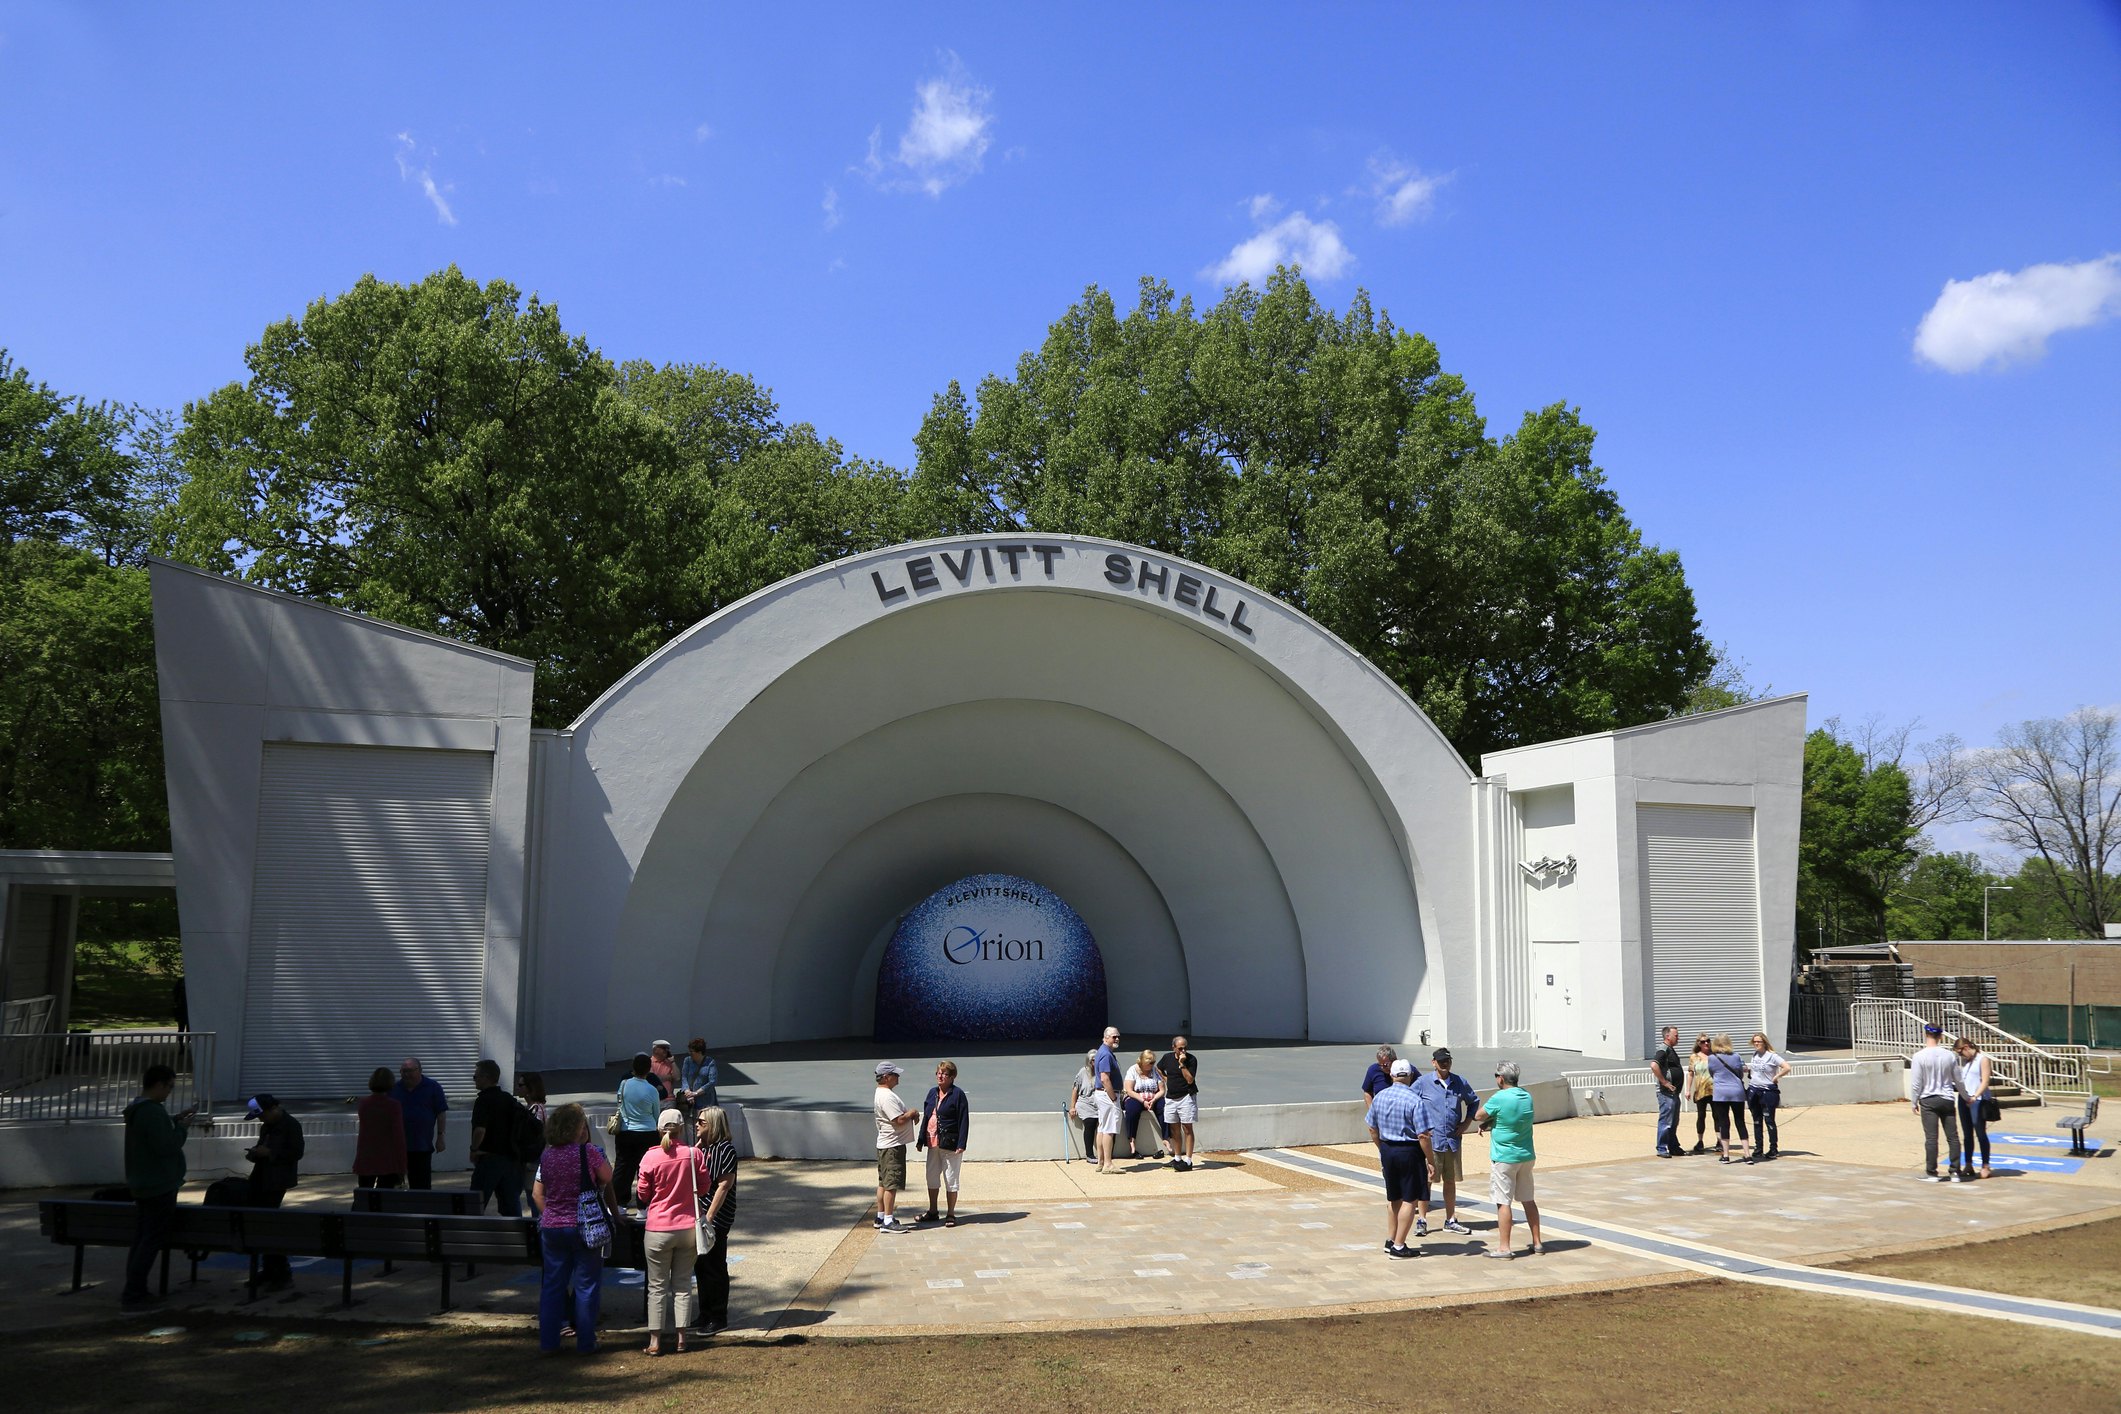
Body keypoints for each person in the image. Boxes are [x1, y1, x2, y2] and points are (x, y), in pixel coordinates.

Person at [531, 1101, 613, 1354]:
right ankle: (586, 1343)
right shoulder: (586, 1152)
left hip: (552, 1227)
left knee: (553, 1287)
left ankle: (548, 1343)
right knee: (587, 1285)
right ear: (576, 1127)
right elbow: (607, 1177)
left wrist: (551, 1216)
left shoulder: (547, 1155)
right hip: (584, 1226)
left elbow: (538, 1193)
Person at [635, 1108, 708, 1355]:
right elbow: (705, 1186)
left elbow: (643, 1194)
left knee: (656, 1286)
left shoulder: (650, 1157)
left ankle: (655, 1340)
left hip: (657, 1228)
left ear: (659, 1129)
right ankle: (681, 1338)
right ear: (681, 1129)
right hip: (687, 1228)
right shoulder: (693, 1153)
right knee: (683, 1284)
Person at [120, 1063, 193, 1311]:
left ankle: (134, 1289)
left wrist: (172, 1120)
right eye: (169, 1087)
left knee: (141, 1239)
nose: (170, 1092)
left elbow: (153, 1135)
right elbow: (166, 1146)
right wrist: (181, 1130)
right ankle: (134, 1293)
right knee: (150, 1241)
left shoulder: (139, 1110)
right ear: (159, 1084)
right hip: (158, 1184)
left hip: (143, 1183)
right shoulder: (151, 1111)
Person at [1476, 1061, 1541, 1258]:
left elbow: (1478, 1115)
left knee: (1503, 1202)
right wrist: (1493, 1121)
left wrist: (1488, 1121)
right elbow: (1511, 1117)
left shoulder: (1499, 1097)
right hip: (1526, 1156)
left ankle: (1504, 1247)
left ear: (1500, 1078)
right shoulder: (1526, 1097)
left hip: (1505, 1158)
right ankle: (1537, 1243)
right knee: (1528, 1199)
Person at [1411, 1047, 1478, 1237]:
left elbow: (1473, 1101)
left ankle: (1451, 1219)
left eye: (1447, 1061)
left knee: (1450, 1181)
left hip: (1452, 1141)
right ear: (1433, 1063)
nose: (1445, 1064)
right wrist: (1420, 1128)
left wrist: (1466, 1123)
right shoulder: (1423, 1083)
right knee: (1427, 1181)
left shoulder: (1459, 1082)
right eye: (1441, 1061)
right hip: (1431, 1143)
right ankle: (1422, 1220)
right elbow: (1411, 1103)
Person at [1363, 1057, 1425, 1259]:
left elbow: (1372, 1127)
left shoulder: (1380, 1097)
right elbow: (1423, 1135)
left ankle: (1391, 1240)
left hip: (1388, 1149)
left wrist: (1382, 1147)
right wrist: (1431, 1160)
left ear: (1391, 1075)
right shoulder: (1415, 1099)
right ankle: (1399, 1246)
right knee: (1410, 1199)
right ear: (1410, 1076)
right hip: (1408, 1150)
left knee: (1393, 1197)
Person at [244, 1093, 305, 1289]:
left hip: (277, 1180)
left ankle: (280, 1271)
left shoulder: (291, 1125)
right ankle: (270, 1269)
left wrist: (269, 1153)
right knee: (263, 1224)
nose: (262, 1120)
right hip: (261, 1177)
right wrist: (256, 1153)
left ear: (273, 1109)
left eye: (262, 1115)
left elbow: (296, 1153)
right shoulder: (268, 1126)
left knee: (269, 1224)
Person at [692, 1105, 740, 1334]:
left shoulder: (725, 1150)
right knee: (701, 1265)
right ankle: (705, 1312)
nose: (697, 1125)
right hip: (701, 1216)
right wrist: (697, 1148)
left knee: (714, 1266)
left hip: (716, 1218)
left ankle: (718, 1316)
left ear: (713, 1125)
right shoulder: (705, 1149)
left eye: (702, 1122)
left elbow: (723, 1185)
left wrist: (708, 1218)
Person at [469, 1059, 527, 1216]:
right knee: (511, 1205)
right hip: (510, 1160)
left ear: (485, 1077)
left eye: (476, 1076)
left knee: (475, 1204)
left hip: (489, 1158)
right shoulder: (508, 1099)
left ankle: (468, 1233)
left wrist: (474, 1149)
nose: (474, 1080)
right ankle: (517, 1234)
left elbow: (480, 1130)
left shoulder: (483, 1101)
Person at [1910, 1023, 1967, 1181]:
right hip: (1947, 1098)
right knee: (1953, 1137)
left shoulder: (1919, 1056)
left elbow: (1916, 1083)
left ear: (1926, 1035)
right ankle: (1955, 1171)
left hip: (1928, 1099)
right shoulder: (1949, 1056)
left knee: (1931, 1138)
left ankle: (1932, 1172)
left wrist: (1914, 1101)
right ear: (1940, 1036)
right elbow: (1958, 1079)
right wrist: (1966, 1096)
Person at [917, 1060, 971, 1224]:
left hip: (950, 1143)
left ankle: (951, 1213)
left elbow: (963, 1119)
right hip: (932, 1142)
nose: (940, 1076)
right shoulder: (931, 1093)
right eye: (939, 1073)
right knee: (931, 1176)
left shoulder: (957, 1094)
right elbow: (927, 1117)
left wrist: (961, 1143)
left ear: (952, 1077)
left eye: (945, 1073)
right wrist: (920, 1140)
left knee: (951, 1178)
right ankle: (933, 1211)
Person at [612, 1052, 663, 1207]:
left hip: (626, 1131)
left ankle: (619, 1203)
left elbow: (619, 1104)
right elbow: (656, 1114)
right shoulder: (652, 1090)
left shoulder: (624, 1084)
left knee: (623, 1167)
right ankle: (643, 1204)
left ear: (633, 1068)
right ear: (649, 1069)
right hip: (647, 1133)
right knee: (645, 1170)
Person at [391, 1056, 448, 1190]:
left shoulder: (433, 1087)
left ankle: (422, 1209)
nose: (406, 1074)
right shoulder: (394, 1089)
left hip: (421, 1146)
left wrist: (440, 1137)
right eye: (403, 1071)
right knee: (394, 1184)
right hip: (397, 1146)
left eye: (410, 1071)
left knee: (421, 1185)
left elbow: (441, 1113)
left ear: (420, 1070)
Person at [874, 1062, 918, 1230]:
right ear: (886, 1077)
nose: (898, 1077)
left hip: (886, 1145)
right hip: (892, 1146)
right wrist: (912, 1113)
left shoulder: (882, 1094)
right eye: (895, 1074)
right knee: (891, 1184)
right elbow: (898, 1120)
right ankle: (888, 1220)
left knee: (883, 1183)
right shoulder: (886, 1096)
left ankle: (880, 1217)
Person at [354, 1067, 406, 1190]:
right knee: (384, 1195)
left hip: (366, 1155)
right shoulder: (393, 1105)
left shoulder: (364, 1104)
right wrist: (402, 1164)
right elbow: (398, 1136)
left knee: (365, 1194)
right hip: (387, 1157)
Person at [1743, 1033, 1792, 1164]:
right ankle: (1758, 1147)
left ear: (1764, 1042)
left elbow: (1787, 1067)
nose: (1756, 1044)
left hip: (1767, 1091)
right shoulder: (1755, 1055)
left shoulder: (1772, 1056)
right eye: (1754, 1042)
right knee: (1756, 1120)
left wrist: (1776, 1077)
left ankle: (1773, 1148)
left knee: (1769, 1120)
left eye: (1759, 1042)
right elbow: (1754, 1071)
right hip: (1754, 1089)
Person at [1158, 1037, 1199, 1171]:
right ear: (1173, 1048)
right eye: (1180, 1048)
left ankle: (1188, 1160)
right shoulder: (1167, 1058)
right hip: (1171, 1098)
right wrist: (1165, 1078)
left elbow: (1189, 1080)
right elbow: (1158, 1068)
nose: (1183, 1051)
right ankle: (1177, 1158)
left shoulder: (1191, 1060)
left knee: (1187, 1128)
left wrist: (1182, 1064)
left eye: (1185, 1048)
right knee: (1174, 1129)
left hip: (1186, 1096)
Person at [1706, 1034, 1749, 1163]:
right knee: (1740, 1122)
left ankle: (1726, 1155)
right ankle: (1747, 1154)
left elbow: (1712, 1073)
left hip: (1721, 1092)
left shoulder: (1712, 1058)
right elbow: (1740, 1073)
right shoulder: (1736, 1056)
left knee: (1724, 1123)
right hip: (1737, 1091)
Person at [1956, 1038, 1994, 1180]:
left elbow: (1985, 1081)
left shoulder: (1982, 1059)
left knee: (1980, 1133)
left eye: (1961, 1052)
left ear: (1966, 1047)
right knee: (1967, 1134)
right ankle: (1968, 1163)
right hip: (1964, 1098)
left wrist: (1975, 1096)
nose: (1961, 1056)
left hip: (1977, 1099)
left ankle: (1985, 1164)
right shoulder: (1967, 1062)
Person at [1123, 1049, 1167, 1160]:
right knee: (1132, 1110)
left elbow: (1162, 1090)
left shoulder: (1154, 1071)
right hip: (1136, 1097)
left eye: (1154, 1062)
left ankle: (1166, 1137)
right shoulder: (1133, 1070)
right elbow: (1129, 1090)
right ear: (1143, 1061)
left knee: (1164, 1107)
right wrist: (1143, 1101)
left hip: (1152, 1098)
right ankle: (1132, 1140)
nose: (1152, 1065)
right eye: (1150, 1063)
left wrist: (1154, 1099)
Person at [1650, 1026, 1686, 1158]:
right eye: (1676, 1036)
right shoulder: (1663, 1049)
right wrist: (1664, 1082)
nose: (1678, 1038)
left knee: (1674, 1121)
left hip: (1674, 1093)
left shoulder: (1671, 1050)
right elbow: (1654, 1065)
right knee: (1666, 1120)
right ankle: (1662, 1147)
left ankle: (1673, 1146)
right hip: (1666, 1094)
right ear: (1667, 1036)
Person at [1092, 1026, 1123, 1173]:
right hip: (1107, 1095)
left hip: (1102, 1095)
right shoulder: (1105, 1054)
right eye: (1113, 1037)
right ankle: (1108, 1164)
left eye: (1117, 1036)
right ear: (1105, 1038)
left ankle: (1101, 1162)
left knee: (1102, 1128)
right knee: (1109, 1129)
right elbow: (1105, 1078)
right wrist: (1113, 1097)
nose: (1116, 1039)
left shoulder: (1103, 1052)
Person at [516, 1071, 548, 1203]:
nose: (517, 1088)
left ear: (530, 1088)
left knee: (533, 1195)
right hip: (533, 1157)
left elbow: (536, 1132)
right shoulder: (532, 1108)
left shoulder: (536, 1109)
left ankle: (538, 1223)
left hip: (535, 1157)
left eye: (520, 1085)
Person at [1067, 1050, 1101, 1161]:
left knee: (1104, 1125)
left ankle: (1105, 1154)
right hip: (1085, 1102)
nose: (1094, 1063)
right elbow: (1075, 1089)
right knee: (1090, 1122)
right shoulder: (1083, 1072)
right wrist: (1072, 1107)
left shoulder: (1103, 1072)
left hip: (1099, 1102)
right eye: (1092, 1061)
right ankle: (1089, 1154)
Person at [678, 1039, 718, 1117]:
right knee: (690, 1125)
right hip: (689, 1100)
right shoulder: (687, 1060)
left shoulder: (710, 1062)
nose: (689, 1053)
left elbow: (712, 1081)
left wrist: (696, 1093)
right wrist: (687, 1091)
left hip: (706, 1101)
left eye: (691, 1051)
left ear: (699, 1052)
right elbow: (684, 1077)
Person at [1688, 1034, 1714, 1153]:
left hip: (1714, 1090)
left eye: (1708, 1041)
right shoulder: (1694, 1057)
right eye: (1703, 1042)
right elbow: (1691, 1074)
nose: (1706, 1044)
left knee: (1717, 1116)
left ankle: (1719, 1140)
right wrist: (1688, 1090)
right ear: (1699, 1043)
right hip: (1700, 1091)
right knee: (1701, 1116)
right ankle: (1700, 1140)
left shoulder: (1714, 1056)